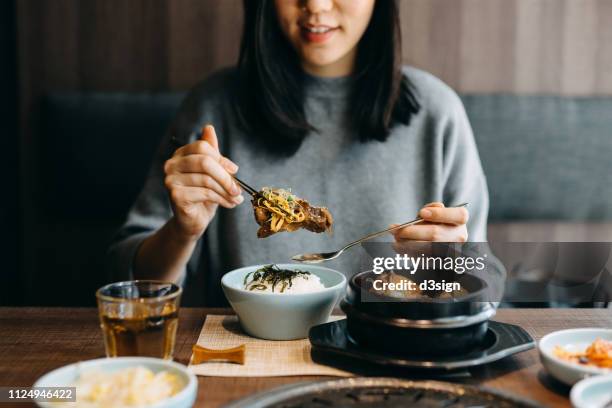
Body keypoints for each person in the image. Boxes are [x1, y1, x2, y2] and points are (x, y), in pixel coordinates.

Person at [108, 0, 496, 305]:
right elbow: (129, 284)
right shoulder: (214, 106)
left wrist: (448, 267)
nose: (316, 5)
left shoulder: (437, 111)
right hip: (251, 357)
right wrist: (182, 231)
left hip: (390, 356)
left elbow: (487, 288)